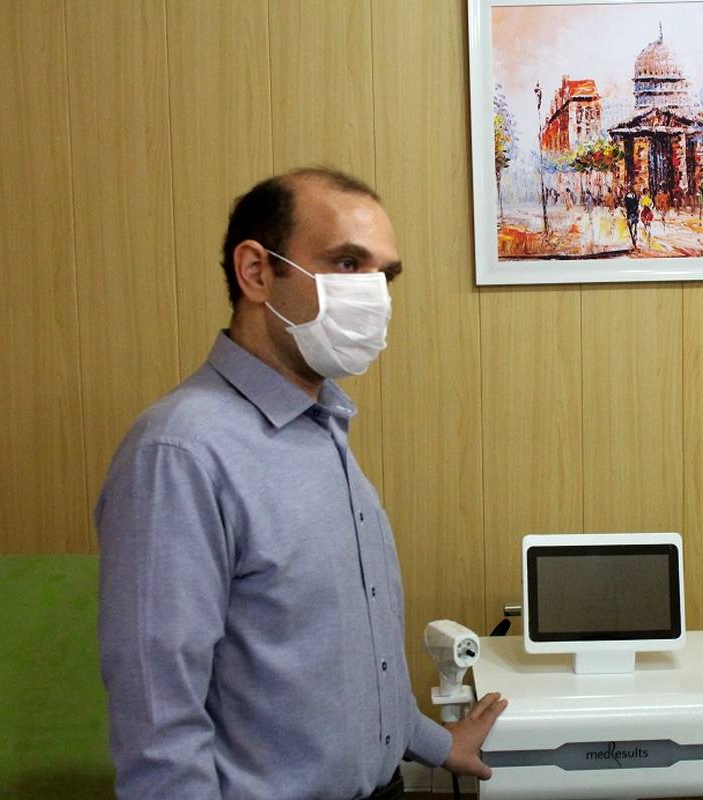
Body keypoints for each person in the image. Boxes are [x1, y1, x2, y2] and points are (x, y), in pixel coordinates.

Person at [95, 166, 506, 800]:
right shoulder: (180, 454)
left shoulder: (323, 428)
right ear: (256, 272)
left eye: (385, 275)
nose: (373, 294)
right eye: (347, 263)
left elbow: (336, 654)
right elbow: (158, 723)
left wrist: (433, 742)